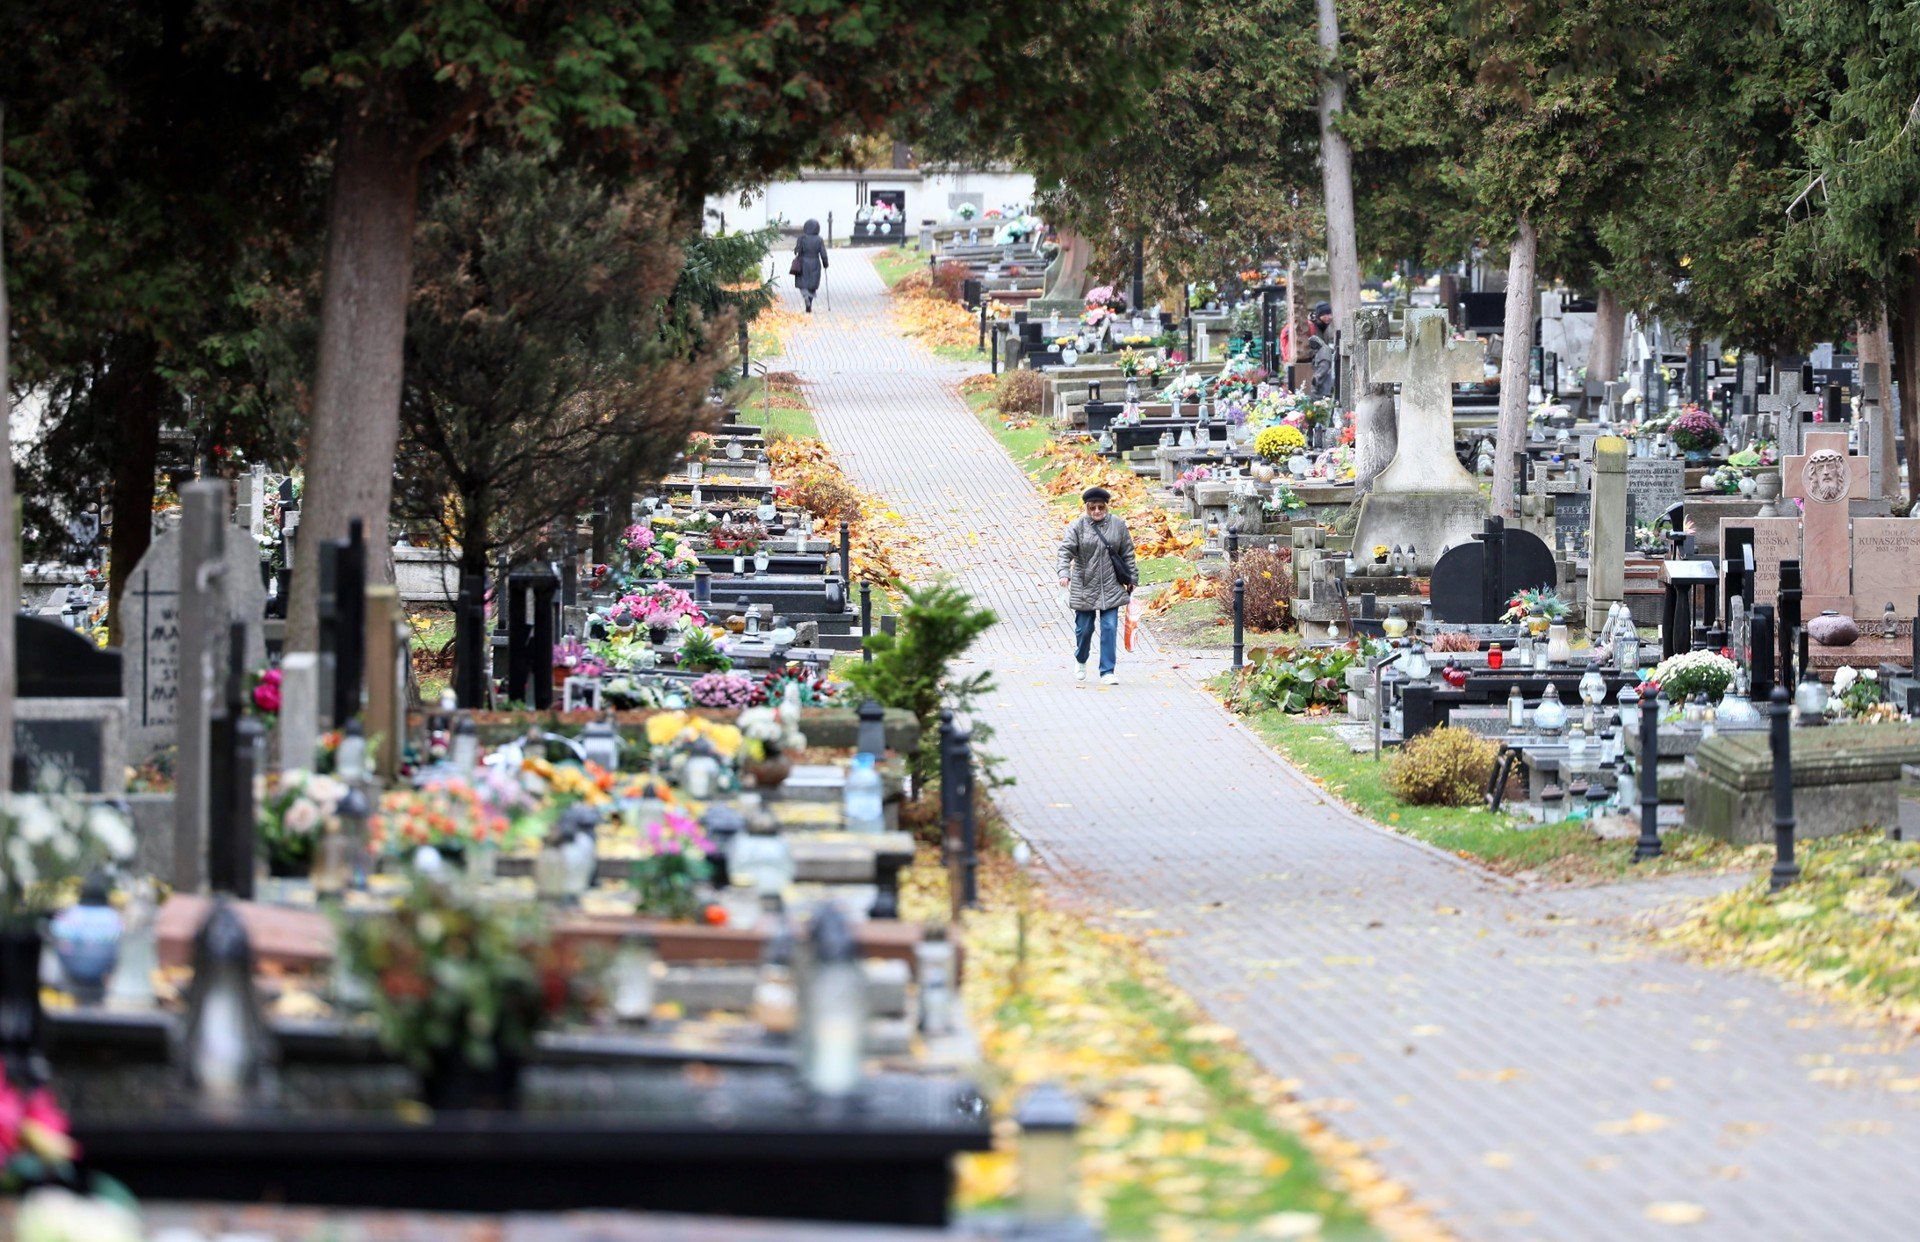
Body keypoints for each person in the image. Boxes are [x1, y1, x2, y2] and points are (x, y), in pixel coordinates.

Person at [1056, 486, 1137, 686]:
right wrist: (1064, 573)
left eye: (1101, 507)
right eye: (1092, 508)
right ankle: (1081, 658)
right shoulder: (1078, 527)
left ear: (1106, 507)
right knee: (1084, 629)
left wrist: (1133, 578)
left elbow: (1128, 552)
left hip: (1111, 584)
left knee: (1109, 626)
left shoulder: (1118, 525)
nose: (1097, 512)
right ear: (1087, 508)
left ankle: (1107, 671)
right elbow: (1064, 552)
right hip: (1084, 585)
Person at [792, 219, 828, 313]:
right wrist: (825, 263)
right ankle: (809, 304)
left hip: (803, 262)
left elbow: (797, 251)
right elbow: (823, 253)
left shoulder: (802, 238)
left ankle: (805, 296)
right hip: (815, 263)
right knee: (812, 284)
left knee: (802, 283)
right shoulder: (819, 239)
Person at [1308, 300, 1336, 397]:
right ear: (1319, 315)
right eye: (1326, 314)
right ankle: (1315, 386)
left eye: (1330, 314)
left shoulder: (1325, 325)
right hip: (1316, 357)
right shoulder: (1312, 326)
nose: (1329, 317)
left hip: (1322, 356)